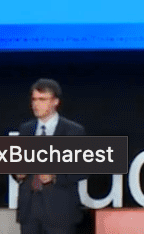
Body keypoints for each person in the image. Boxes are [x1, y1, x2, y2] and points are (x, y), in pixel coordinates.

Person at [14, 78, 86, 234]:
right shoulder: (26, 129)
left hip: (60, 212)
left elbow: (81, 171)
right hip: (29, 211)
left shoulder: (72, 131)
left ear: (55, 102)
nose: (36, 104)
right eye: (34, 99)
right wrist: (17, 173)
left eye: (42, 99)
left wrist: (54, 176)